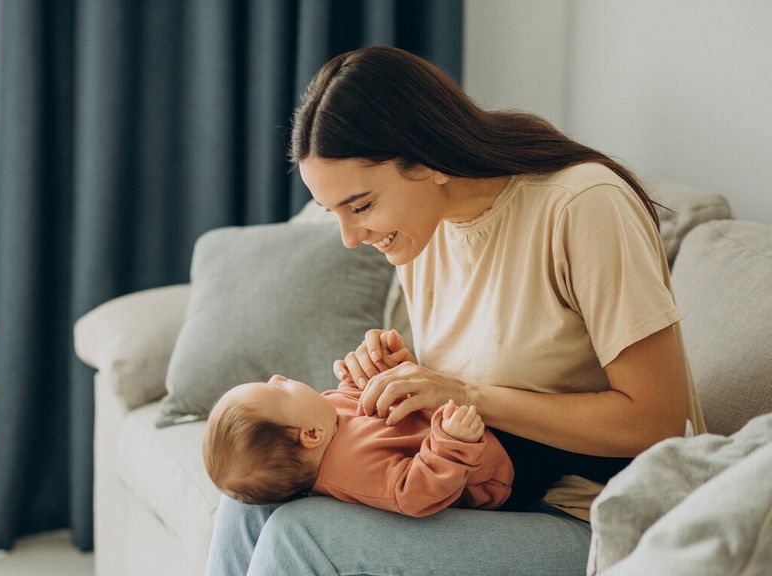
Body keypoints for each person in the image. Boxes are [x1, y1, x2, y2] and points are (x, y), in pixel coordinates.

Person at [206, 45, 705, 575]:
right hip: (491, 497)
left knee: (299, 535)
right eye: (336, 215)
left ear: (427, 162)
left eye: (361, 206)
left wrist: (464, 395)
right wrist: (403, 376)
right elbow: (488, 385)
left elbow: (657, 422)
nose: (351, 237)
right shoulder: (427, 232)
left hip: (599, 522)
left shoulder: (582, 206)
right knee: (248, 505)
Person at [204, 373, 513, 517]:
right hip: (495, 469)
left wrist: (369, 373)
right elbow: (414, 491)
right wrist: (452, 444)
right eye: (279, 389)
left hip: (467, 419)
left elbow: (362, 407)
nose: (278, 376)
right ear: (311, 435)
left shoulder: (324, 419)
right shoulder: (353, 469)